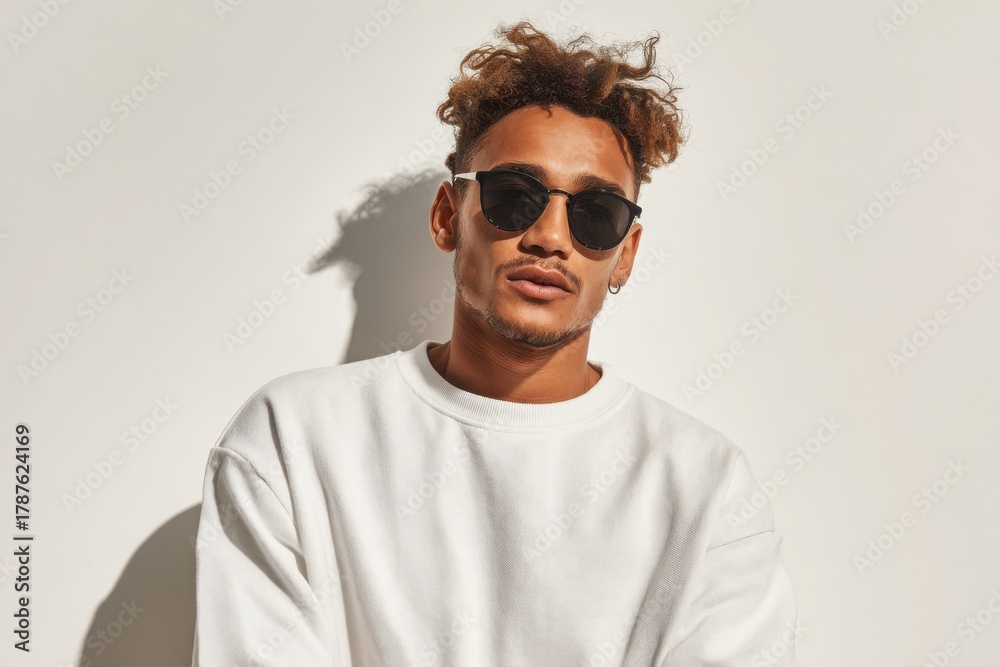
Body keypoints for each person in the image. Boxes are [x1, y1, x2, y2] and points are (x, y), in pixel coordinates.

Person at [191, 19, 798, 666]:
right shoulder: (292, 439)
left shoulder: (705, 487)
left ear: (625, 254)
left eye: (596, 213)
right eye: (515, 196)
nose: (550, 237)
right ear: (447, 216)